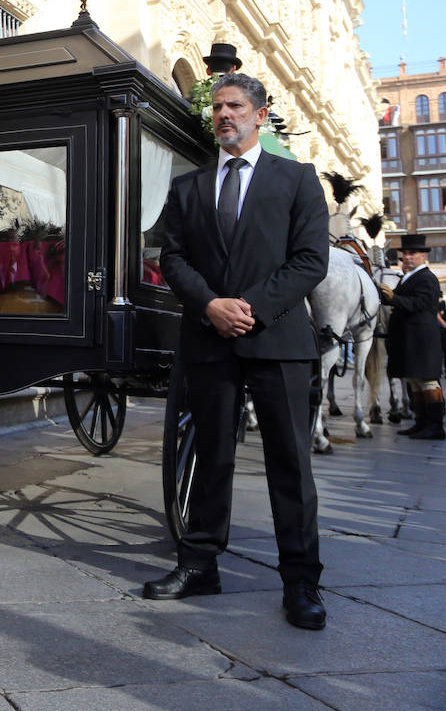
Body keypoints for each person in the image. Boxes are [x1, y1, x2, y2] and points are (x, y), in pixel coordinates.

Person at [147, 72, 330, 631]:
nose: (225, 115)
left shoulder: (297, 179)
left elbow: (309, 261)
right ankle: (199, 564)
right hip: (208, 340)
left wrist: (245, 307)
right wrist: (210, 306)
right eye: (218, 107)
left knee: (291, 463)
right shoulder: (188, 188)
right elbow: (172, 258)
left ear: (260, 113)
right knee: (210, 457)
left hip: (277, 339)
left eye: (235, 106)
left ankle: (300, 581)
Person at [380, 233, 445, 440]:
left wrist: (394, 298)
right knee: (415, 382)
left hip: (422, 339)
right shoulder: (410, 277)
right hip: (410, 338)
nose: (407, 257)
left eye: (412, 253)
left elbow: (420, 305)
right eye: (404, 254)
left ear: (424, 256)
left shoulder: (427, 278)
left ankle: (435, 426)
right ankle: (421, 422)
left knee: (428, 382)